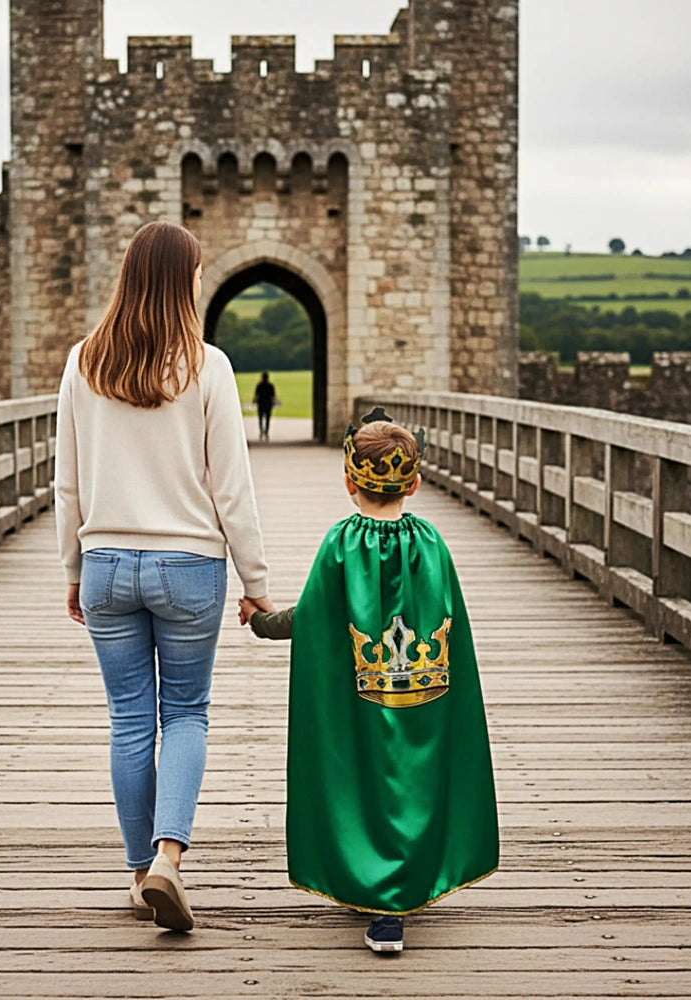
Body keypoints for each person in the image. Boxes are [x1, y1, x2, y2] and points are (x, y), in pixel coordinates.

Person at [55, 221, 274, 932]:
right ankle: (169, 862)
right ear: (185, 282)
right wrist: (257, 580)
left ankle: (134, 872)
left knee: (128, 719)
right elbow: (231, 488)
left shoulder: (83, 362)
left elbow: (66, 485)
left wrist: (72, 567)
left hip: (107, 564)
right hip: (189, 566)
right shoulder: (209, 367)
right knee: (184, 712)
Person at [238, 408, 498, 954]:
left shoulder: (341, 543)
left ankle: (381, 900)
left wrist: (261, 622)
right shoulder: (432, 543)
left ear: (350, 481)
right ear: (417, 482)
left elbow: (309, 618)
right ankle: (406, 883)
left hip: (358, 691)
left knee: (360, 774)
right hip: (421, 693)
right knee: (412, 774)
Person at [252, 371, 277, 441]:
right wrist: (274, 402)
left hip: (261, 404)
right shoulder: (270, 386)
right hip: (268, 404)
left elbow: (256, 395)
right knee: (267, 419)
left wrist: (254, 401)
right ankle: (266, 432)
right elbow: (273, 396)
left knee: (260, 419)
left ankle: (261, 431)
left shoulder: (259, 385)